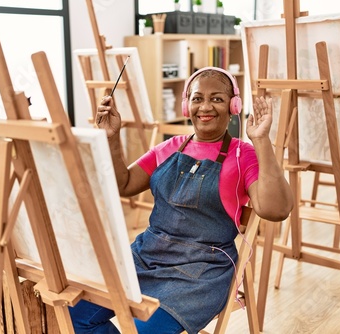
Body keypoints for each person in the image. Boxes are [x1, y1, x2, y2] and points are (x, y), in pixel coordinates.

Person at [69, 67, 293, 334]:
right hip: (147, 255)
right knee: (75, 312)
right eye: (197, 98)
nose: (205, 106)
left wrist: (261, 141)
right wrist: (112, 137)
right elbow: (124, 183)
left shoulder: (242, 154)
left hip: (201, 271)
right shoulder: (168, 147)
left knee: (144, 328)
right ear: (187, 106)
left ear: (233, 106)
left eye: (217, 99)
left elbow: (276, 210)